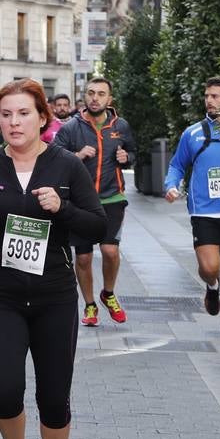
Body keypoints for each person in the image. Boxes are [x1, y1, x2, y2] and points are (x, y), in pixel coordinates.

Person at [0, 80, 105, 439]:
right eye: (6, 114)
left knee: (53, 396)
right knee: (3, 388)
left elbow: (98, 226)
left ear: (42, 118)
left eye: (23, 113)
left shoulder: (65, 166)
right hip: (2, 293)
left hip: (54, 295)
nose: (14, 122)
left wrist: (60, 210)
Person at [164, 77, 220, 340]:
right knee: (210, 267)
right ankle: (212, 286)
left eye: (215, 96)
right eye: (207, 96)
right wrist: (171, 185)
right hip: (204, 211)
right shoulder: (193, 133)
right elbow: (177, 164)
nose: (209, 101)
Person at [54, 76, 136, 326]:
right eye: (91, 93)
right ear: (84, 96)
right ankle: (89, 305)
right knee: (83, 258)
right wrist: (77, 156)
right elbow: (55, 158)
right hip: (81, 202)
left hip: (112, 197)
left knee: (110, 251)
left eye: (101, 94)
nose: (95, 98)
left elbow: (133, 153)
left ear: (109, 99)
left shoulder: (120, 126)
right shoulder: (71, 127)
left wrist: (126, 157)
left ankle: (108, 294)